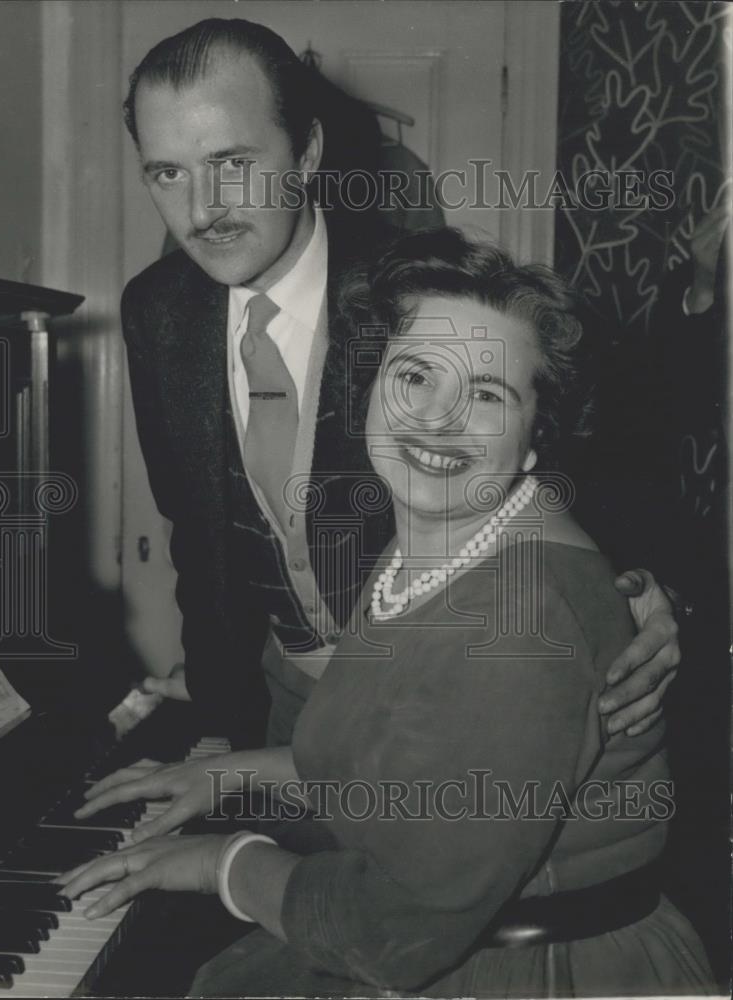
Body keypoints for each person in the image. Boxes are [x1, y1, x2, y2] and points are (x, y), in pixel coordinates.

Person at [61, 230, 712, 997]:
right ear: (370, 385)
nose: (435, 419)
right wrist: (224, 777)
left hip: (531, 970)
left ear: (536, 436)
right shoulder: (427, 545)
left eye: (488, 394)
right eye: (415, 376)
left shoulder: (521, 618)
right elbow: (394, 772)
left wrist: (217, 862)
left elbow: (394, 930)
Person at [120, 16, 678, 752]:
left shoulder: (419, 289)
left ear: (307, 151)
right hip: (278, 698)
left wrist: (655, 590)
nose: (201, 211)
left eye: (232, 163)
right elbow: (197, 532)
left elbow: (570, 461)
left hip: (443, 698)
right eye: (168, 171)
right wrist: (223, 721)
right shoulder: (155, 309)